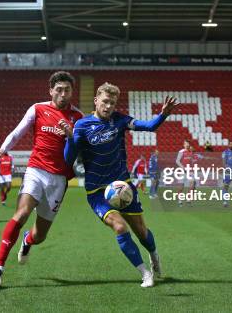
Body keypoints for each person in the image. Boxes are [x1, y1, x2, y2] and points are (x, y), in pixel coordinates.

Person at [64, 82, 179, 287]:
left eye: (113, 103)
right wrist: (71, 139)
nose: (109, 106)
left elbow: (149, 126)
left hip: (122, 186)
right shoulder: (82, 125)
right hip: (97, 191)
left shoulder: (120, 120)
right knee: (119, 226)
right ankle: (145, 273)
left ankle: (154, 256)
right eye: (105, 101)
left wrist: (163, 115)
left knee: (141, 231)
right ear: (96, 100)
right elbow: (68, 158)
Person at [0, 71, 83, 288]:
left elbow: (78, 152)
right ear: (51, 91)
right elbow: (18, 131)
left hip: (59, 179)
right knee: (21, 213)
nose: (62, 93)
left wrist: (70, 135)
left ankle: (27, 241)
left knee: (40, 236)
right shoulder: (38, 108)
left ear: (72, 92)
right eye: (58, 89)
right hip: (36, 170)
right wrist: (3, 148)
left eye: (67, 90)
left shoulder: (78, 118)